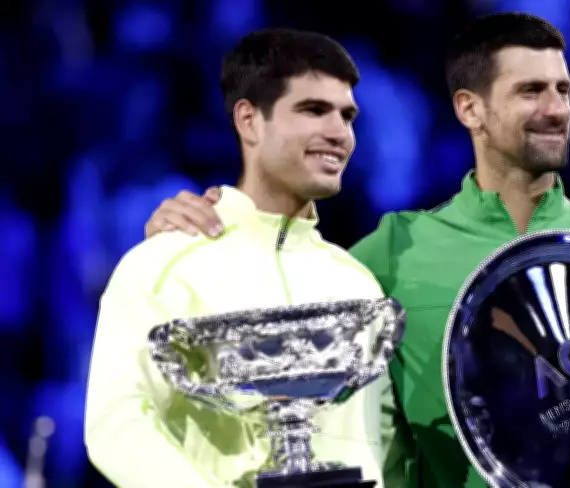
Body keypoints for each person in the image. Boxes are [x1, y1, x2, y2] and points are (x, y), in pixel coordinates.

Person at [142, 13, 570, 488]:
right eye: (531, 91)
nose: (556, 110)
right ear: (470, 108)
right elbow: (279, 317)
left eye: (563, 90)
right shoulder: (395, 251)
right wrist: (202, 235)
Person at [85, 28, 390, 488]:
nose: (339, 133)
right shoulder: (164, 264)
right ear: (249, 120)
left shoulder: (356, 284)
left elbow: (372, 446)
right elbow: (119, 425)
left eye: (346, 116)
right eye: (313, 110)